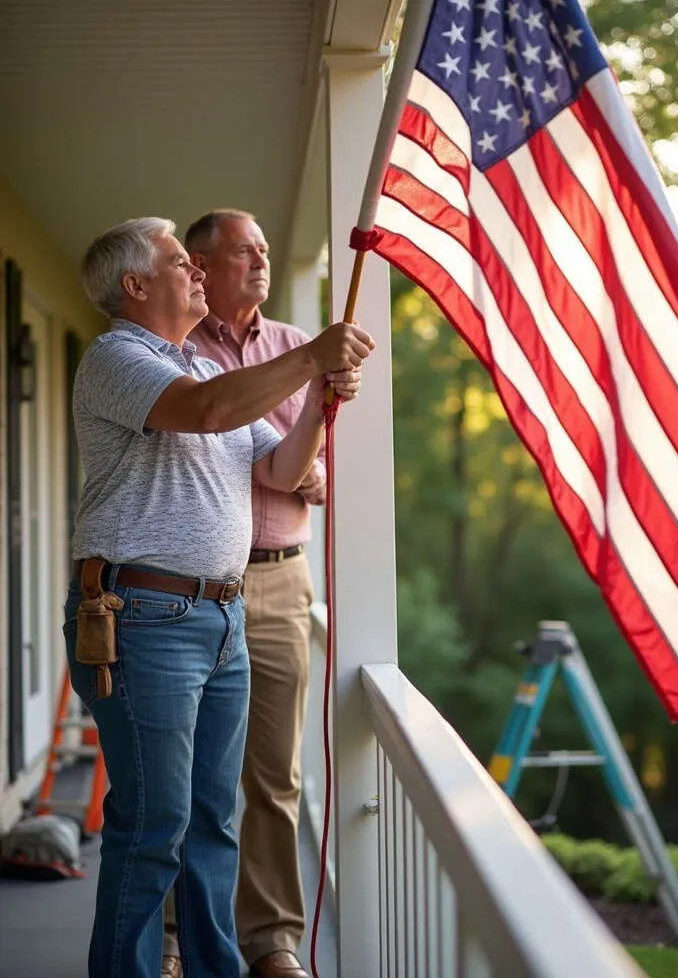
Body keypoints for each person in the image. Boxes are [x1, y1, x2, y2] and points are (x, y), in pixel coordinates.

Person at [64, 216, 373, 978]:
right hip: (144, 618)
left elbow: (277, 470)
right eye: (180, 263)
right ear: (136, 287)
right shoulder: (119, 358)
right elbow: (204, 417)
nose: (197, 273)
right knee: (153, 824)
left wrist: (316, 397)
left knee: (211, 823)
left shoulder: (199, 371)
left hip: (223, 616)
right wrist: (308, 355)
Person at [160, 209, 326, 978]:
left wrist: (313, 455)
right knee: (182, 773)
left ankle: (271, 941)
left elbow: (307, 465)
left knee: (273, 774)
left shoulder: (298, 350)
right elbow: (202, 432)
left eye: (264, 251)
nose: (260, 262)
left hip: (282, 577)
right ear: (199, 265)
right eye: (243, 252)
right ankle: (168, 935)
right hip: (194, 585)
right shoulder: (173, 352)